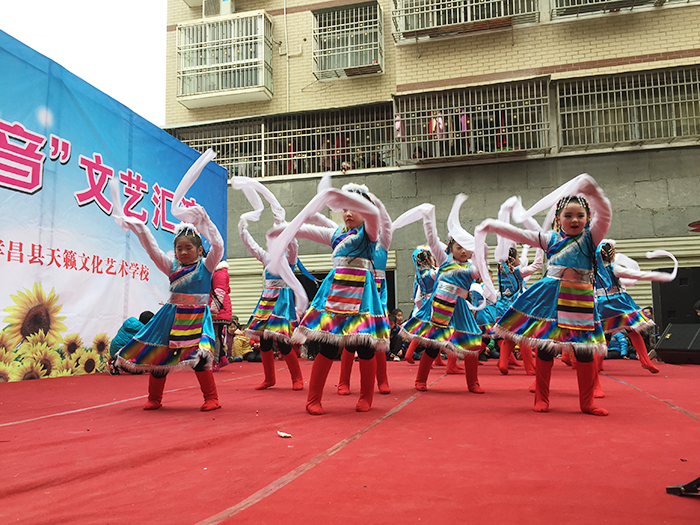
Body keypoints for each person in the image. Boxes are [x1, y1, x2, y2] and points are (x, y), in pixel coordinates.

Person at [475, 173, 612, 416]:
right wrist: (494, 226)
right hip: (551, 299)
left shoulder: (592, 238)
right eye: (568, 215)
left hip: (580, 300)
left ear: (588, 218)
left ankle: (587, 403)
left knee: (584, 351)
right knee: (546, 348)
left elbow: (605, 215)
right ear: (558, 218)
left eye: (580, 215)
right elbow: (520, 235)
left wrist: (595, 193)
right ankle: (542, 398)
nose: (574, 220)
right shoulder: (550, 239)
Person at [112, 150, 224, 412]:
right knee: (158, 355)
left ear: (199, 249)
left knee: (200, 359)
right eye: (179, 248)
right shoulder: (171, 265)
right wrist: (138, 226)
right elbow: (151, 247)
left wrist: (205, 222)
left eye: (188, 248)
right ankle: (155, 398)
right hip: (171, 317)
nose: (183, 252)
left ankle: (211, 398)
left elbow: (218, 245)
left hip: (197, 317)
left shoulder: (207, 265)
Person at [267, 181, 389, 415]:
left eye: (355, 208)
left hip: (363, 298)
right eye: (345, 208)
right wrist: (284, 229)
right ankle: (313, 399)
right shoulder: (336, 234)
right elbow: (306, 230)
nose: (348, 213)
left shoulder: (370, 232)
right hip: (336, 297)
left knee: (365, 348)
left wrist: (366, 198)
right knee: (328, 347)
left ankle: (366, 397)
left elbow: (374, 215)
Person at [401, 194, 488, 394]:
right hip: (439, 305)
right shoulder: (443, 260)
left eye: (466, 248)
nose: (463, 251)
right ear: (451, 248)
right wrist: (428, 219)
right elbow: (432, 240)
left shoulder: (471, 267)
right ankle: (420, 379)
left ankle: (473, 383)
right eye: (459, 247)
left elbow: (481, 269)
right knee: (433, 345)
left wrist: (481, 247)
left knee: (471, 344)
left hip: (460, 309)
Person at [231, 176, 304, 391]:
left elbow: (294, 245)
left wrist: (286, 229)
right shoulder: (267, 257)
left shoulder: (290, 258)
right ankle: (269, 378)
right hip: (266, 301)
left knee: (282, 341)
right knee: (263, 341)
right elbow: (251, 246)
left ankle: (297, 378)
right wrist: (243, 229)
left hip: (281, 302)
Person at [209, 259, 232, 370]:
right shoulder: (217, 271)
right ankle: (222, 358)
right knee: (215, 334)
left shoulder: (220, 272)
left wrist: (214, 310)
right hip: (218, 307)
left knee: (215, 335)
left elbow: (220, 292)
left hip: (218, 308)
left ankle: (215, 361)